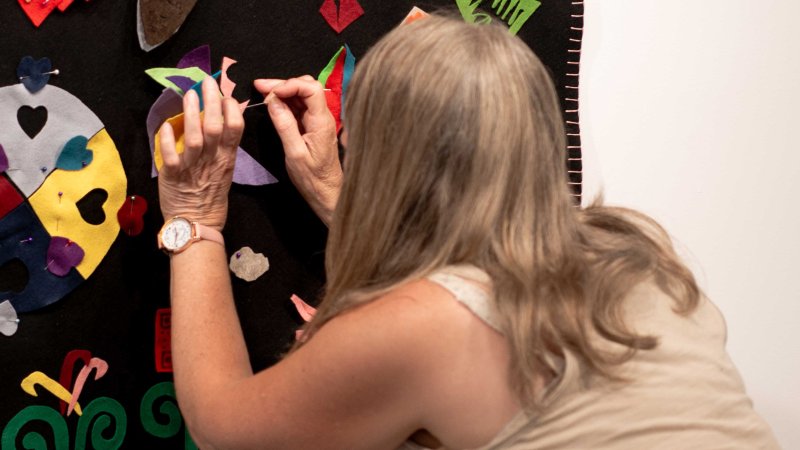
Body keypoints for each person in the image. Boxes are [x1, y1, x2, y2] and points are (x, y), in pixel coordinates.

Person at [156, 15, 779, 450]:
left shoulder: (423, 327)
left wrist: (195, 217)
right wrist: (335, 194)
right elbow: (472, 263)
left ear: (386, 163)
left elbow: (224, 429)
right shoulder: (637, 254)